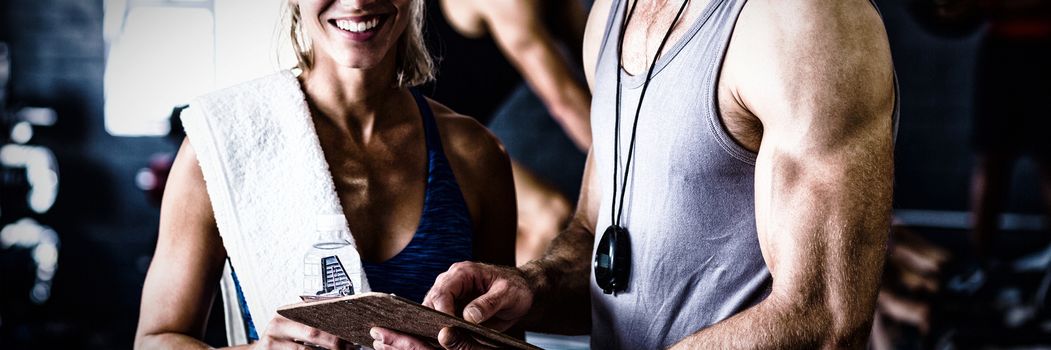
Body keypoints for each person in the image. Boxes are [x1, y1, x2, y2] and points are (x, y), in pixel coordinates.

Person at [372, 0, 898, 348]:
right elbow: (593, 240)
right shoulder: (612, 15)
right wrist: (531, 287)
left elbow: (825, 319)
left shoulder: (803, 21)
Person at [134, 0, 516, 349]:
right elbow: (154, 340)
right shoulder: (221, 144)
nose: (358, 1)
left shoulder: (476, 155)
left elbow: (506, 338)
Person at [424, 0, 594, 264]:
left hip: (460, 136)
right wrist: (634, 174)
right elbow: (565, 101)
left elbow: (598, 70)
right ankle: (479, 305)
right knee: (548, 215)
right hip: (423, 138)